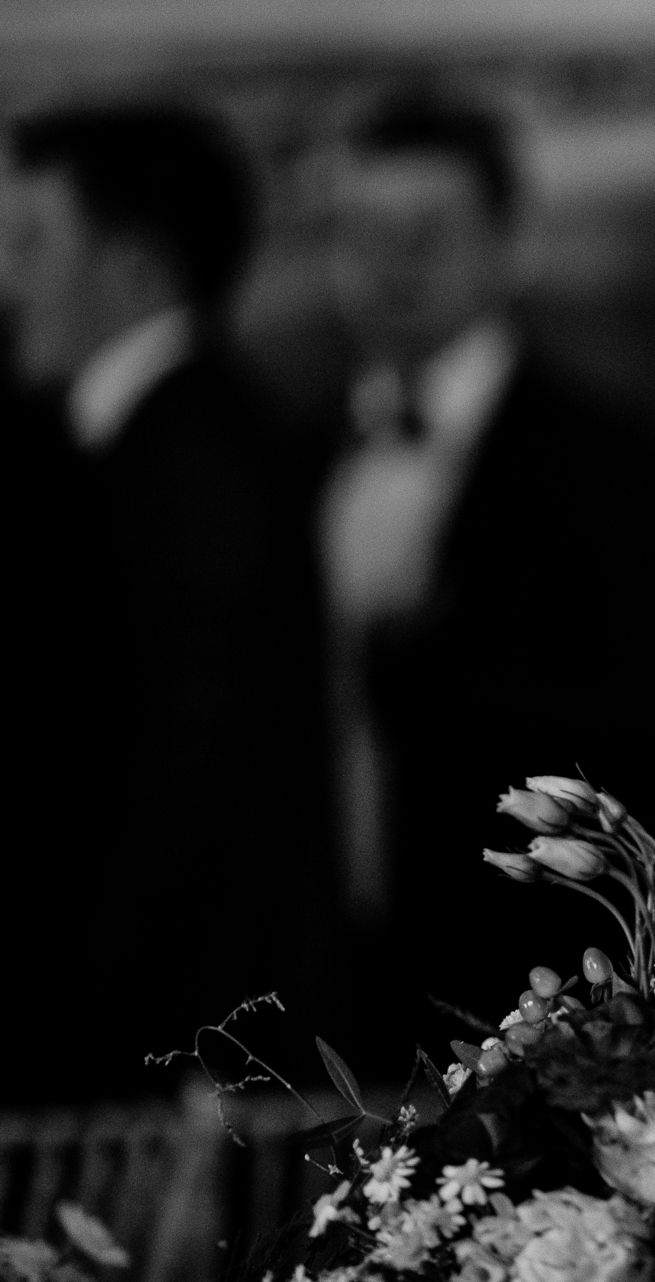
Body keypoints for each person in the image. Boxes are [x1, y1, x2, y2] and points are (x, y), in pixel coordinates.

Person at [321, 93, 655, 1026]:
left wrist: (419, 671)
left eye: (427, 231)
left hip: (515, 976)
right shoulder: (295, 450)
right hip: (314, 968)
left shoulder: (613, 463)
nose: (391, 264)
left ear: (509, 242)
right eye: (363, 231)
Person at [0, 105, 332, 1098]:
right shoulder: (130, 440)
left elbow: (200, 778)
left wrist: (146, 1041)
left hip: (145, 1048)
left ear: (134, 265)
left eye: (31, 243)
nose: (9, 283)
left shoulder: (192, 454)